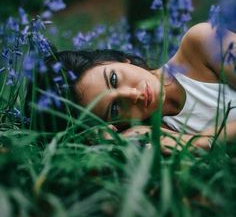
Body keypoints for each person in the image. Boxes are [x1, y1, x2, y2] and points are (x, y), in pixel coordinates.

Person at [26, 22, 236, 153]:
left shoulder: (200, 44)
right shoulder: (154, 137)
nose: (133, 95)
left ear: (121, 60)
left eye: (114, 79)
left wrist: (196, 143)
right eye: (114, 109)